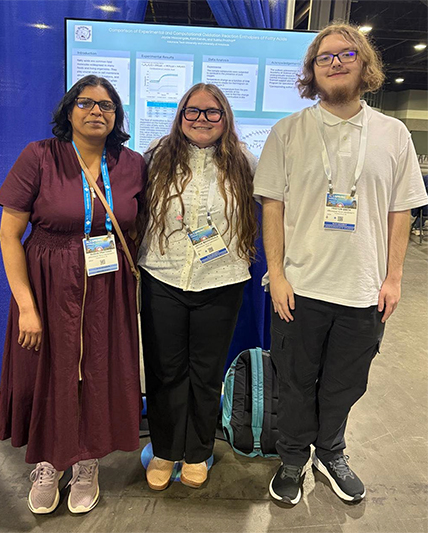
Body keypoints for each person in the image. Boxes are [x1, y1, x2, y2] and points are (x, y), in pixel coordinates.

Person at [253, 23, 428, 505]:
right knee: (295, 383)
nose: (335, 62)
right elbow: (273, 208)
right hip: (300, 289)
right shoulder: (287, 132)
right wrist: (277, 274)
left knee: (345, 385)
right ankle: (292, 458)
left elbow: (401, 211)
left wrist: (394, 278)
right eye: (324, 56)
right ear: (312, 70)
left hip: (363, 291)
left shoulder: (393, 134)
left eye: (346, 54)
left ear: (364, 63)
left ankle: (331, 452)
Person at [0, 75, 146, 514]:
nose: (97, 111)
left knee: (98, 371)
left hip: (107, 285)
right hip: (48, 284)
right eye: (86, 102)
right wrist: (26, 306)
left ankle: (86, 462)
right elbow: (9, 235)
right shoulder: (39, 155)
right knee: (49, 371)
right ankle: (48, 462)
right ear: (69, 110)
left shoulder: (132, 163)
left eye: (107, 105)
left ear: (117, 115)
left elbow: (137, 225)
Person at [139, 83, 258, 490]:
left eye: (211, 112)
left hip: (221, 280)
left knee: (205, 373)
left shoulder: (244, 160)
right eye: (193, 111)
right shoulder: (156, 155)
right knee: (165, 371)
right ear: (180, 115)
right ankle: (165, 450)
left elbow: (278, 201)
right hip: (163, 275)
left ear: (225, 117)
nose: (201, 119)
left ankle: (197, 451)